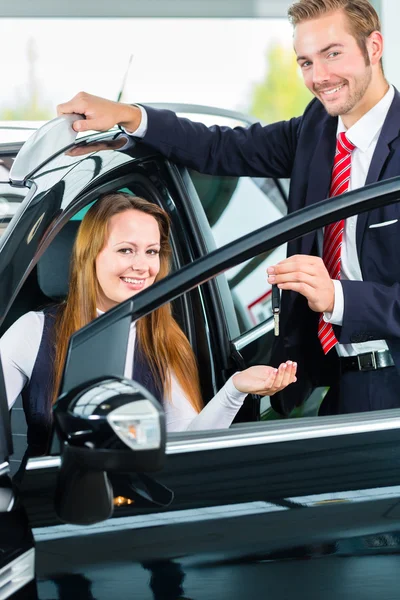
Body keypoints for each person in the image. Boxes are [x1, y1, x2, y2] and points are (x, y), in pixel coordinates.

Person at [57, 0, 400, 417]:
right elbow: (221, 148)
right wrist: (131, 116)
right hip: (334, 382)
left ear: (374, 46)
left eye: (333, 54)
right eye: (305, 62)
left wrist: (339, 296)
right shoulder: (318, 127)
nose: (320, 77)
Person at [0, 193, 296, 456]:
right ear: (90, 254)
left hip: (137, 507)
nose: (142, 266)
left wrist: (235, 389)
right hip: (50, 501)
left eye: (151, 251)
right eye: (126, 250)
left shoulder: (162, 337)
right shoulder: (33, 331)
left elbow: (187, 447)